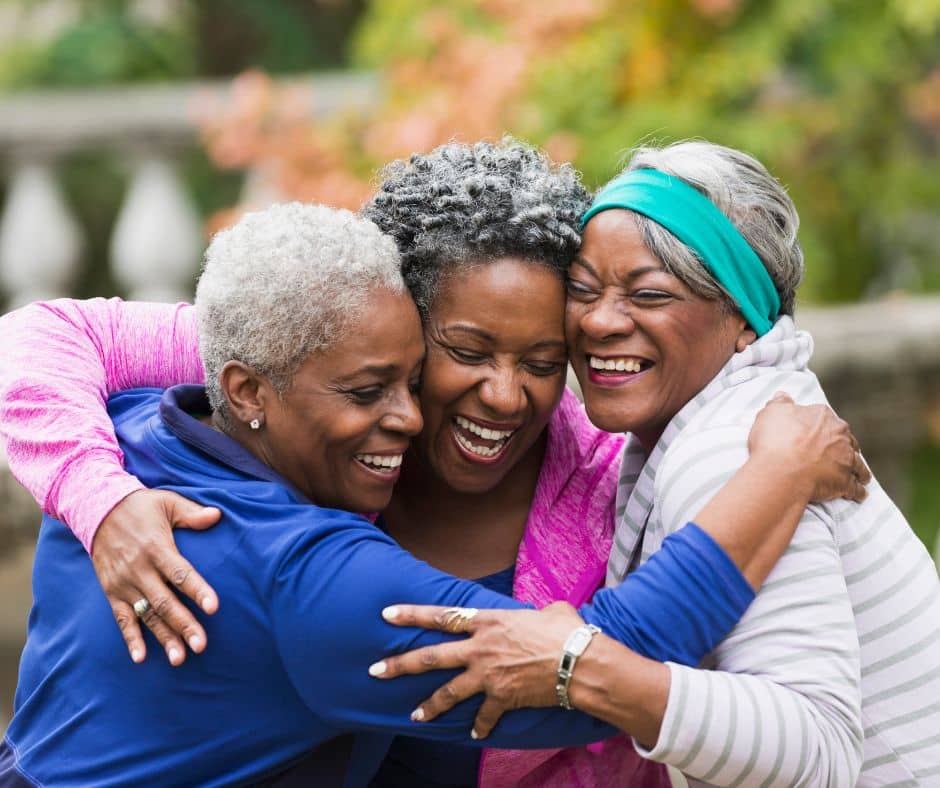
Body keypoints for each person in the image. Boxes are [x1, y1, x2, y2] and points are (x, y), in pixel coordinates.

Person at [0, 142, 866, 787]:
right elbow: (608, 663)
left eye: (542, 360)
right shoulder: (302, 565)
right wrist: (777, 478)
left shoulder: (143, 426)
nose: (502, 395)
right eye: (458, 352)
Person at [370, 141, 940, 787]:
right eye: (584, 291)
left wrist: (573, 665)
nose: (602, 321)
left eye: (649, 293)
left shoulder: (735, 451)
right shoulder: (730, 443)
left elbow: (818, 741)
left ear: (744, 318)